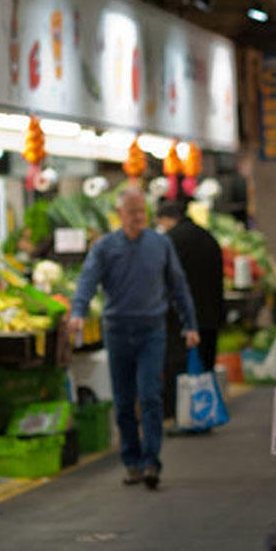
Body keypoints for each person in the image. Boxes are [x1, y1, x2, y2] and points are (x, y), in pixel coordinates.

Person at [70, 187, 199, 490]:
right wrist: (78, 310)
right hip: (117, 331)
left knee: (151, 395)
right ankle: (132, 461)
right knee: (124, 401)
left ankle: (151, 461)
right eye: (132, 213)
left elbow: (178, 286)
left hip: (152, 330)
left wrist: (189, 324)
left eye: (142, 212)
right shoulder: (105, 247)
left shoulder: (160, 244)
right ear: (120, 214)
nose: (138, 218)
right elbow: (87, 280)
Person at [156, 201, 224, 421]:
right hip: (211, 313)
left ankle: (180, 415)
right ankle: (205, 414)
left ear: (166, 219)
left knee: (178, 366)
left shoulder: (170, 240)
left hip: (181, 317)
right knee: (205, 366)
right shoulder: (208, 237)